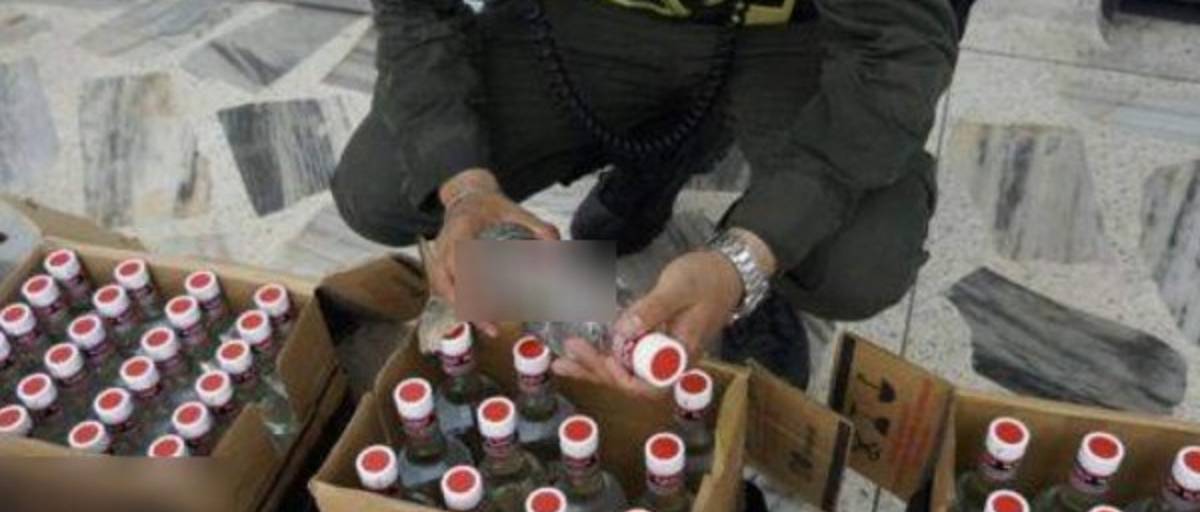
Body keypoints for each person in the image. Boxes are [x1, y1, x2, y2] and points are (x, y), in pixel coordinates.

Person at [332, 0, 958, 395]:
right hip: (586, 20)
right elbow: (415, 13)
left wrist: (746, 258)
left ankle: (733, 273)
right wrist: (466, 186)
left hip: (793, 31)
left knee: (857, 265)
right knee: (385, 188)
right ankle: (606, 303)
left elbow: (896, 55)